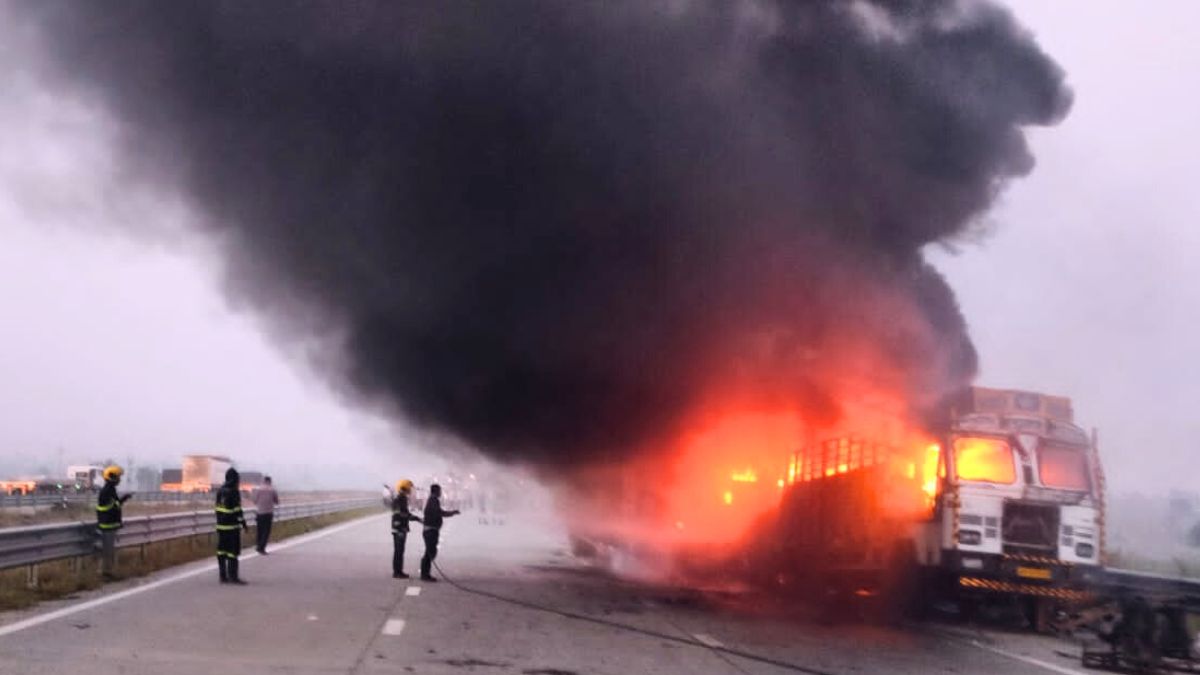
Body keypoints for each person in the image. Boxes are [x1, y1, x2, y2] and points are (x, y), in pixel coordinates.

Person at [95, 464, 133, 578]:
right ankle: (106, 573)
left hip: (109, 525)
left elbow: (114, 505)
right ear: (112, 477)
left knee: (109, 551)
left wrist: (124, 499)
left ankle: (108, 572)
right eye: (118, 477)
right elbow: (111, 507)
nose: (119, 480)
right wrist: (121, 501)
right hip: (107, 525)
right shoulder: (107, 491)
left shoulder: (110, 490)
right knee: (108, 551)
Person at [419, 483, 460, 582]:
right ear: (436, 491)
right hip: (430, 530)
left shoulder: (433, 500)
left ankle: (425, 573)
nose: (441, 493)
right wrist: (452, 513)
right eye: (440, 491)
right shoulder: (433, 501)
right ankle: (425, 574)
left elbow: (439, 512)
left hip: (431, 530)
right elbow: (440, 512)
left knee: (431, 552)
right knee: (430, 552)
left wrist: (451, 513)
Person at [215, 467, 249, 584]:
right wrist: (243, 524)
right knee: (232, 552)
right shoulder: (234, 492)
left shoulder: (220, 491)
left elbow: (218, 509)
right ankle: (233, 576)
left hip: (220, 527)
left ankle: (222, 576)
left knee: (221, 552)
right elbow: (237, 510)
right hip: (232, 527)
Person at [388, 479, 422, 579]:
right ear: (405, 488)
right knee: (399, 551)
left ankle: (398, 571)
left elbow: (404, 514)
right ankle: (397, 572)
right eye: (409, 488)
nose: (411, 490)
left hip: (400, 528)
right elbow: (401, 514)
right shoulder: (400, 499)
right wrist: (415, 518)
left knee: (399, 551)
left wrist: (416, 518)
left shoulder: (401, 499)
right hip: (399, 529)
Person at [252, 475, 280, 554]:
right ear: (270, 481)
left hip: (259, 513)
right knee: (266, 531)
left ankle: (258, 545)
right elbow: (277, 501)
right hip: (268, 513)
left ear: (264, 481)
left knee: (259, 530)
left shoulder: (258, 489)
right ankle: (261, 548)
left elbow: (254, 500)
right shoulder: (272, 490)